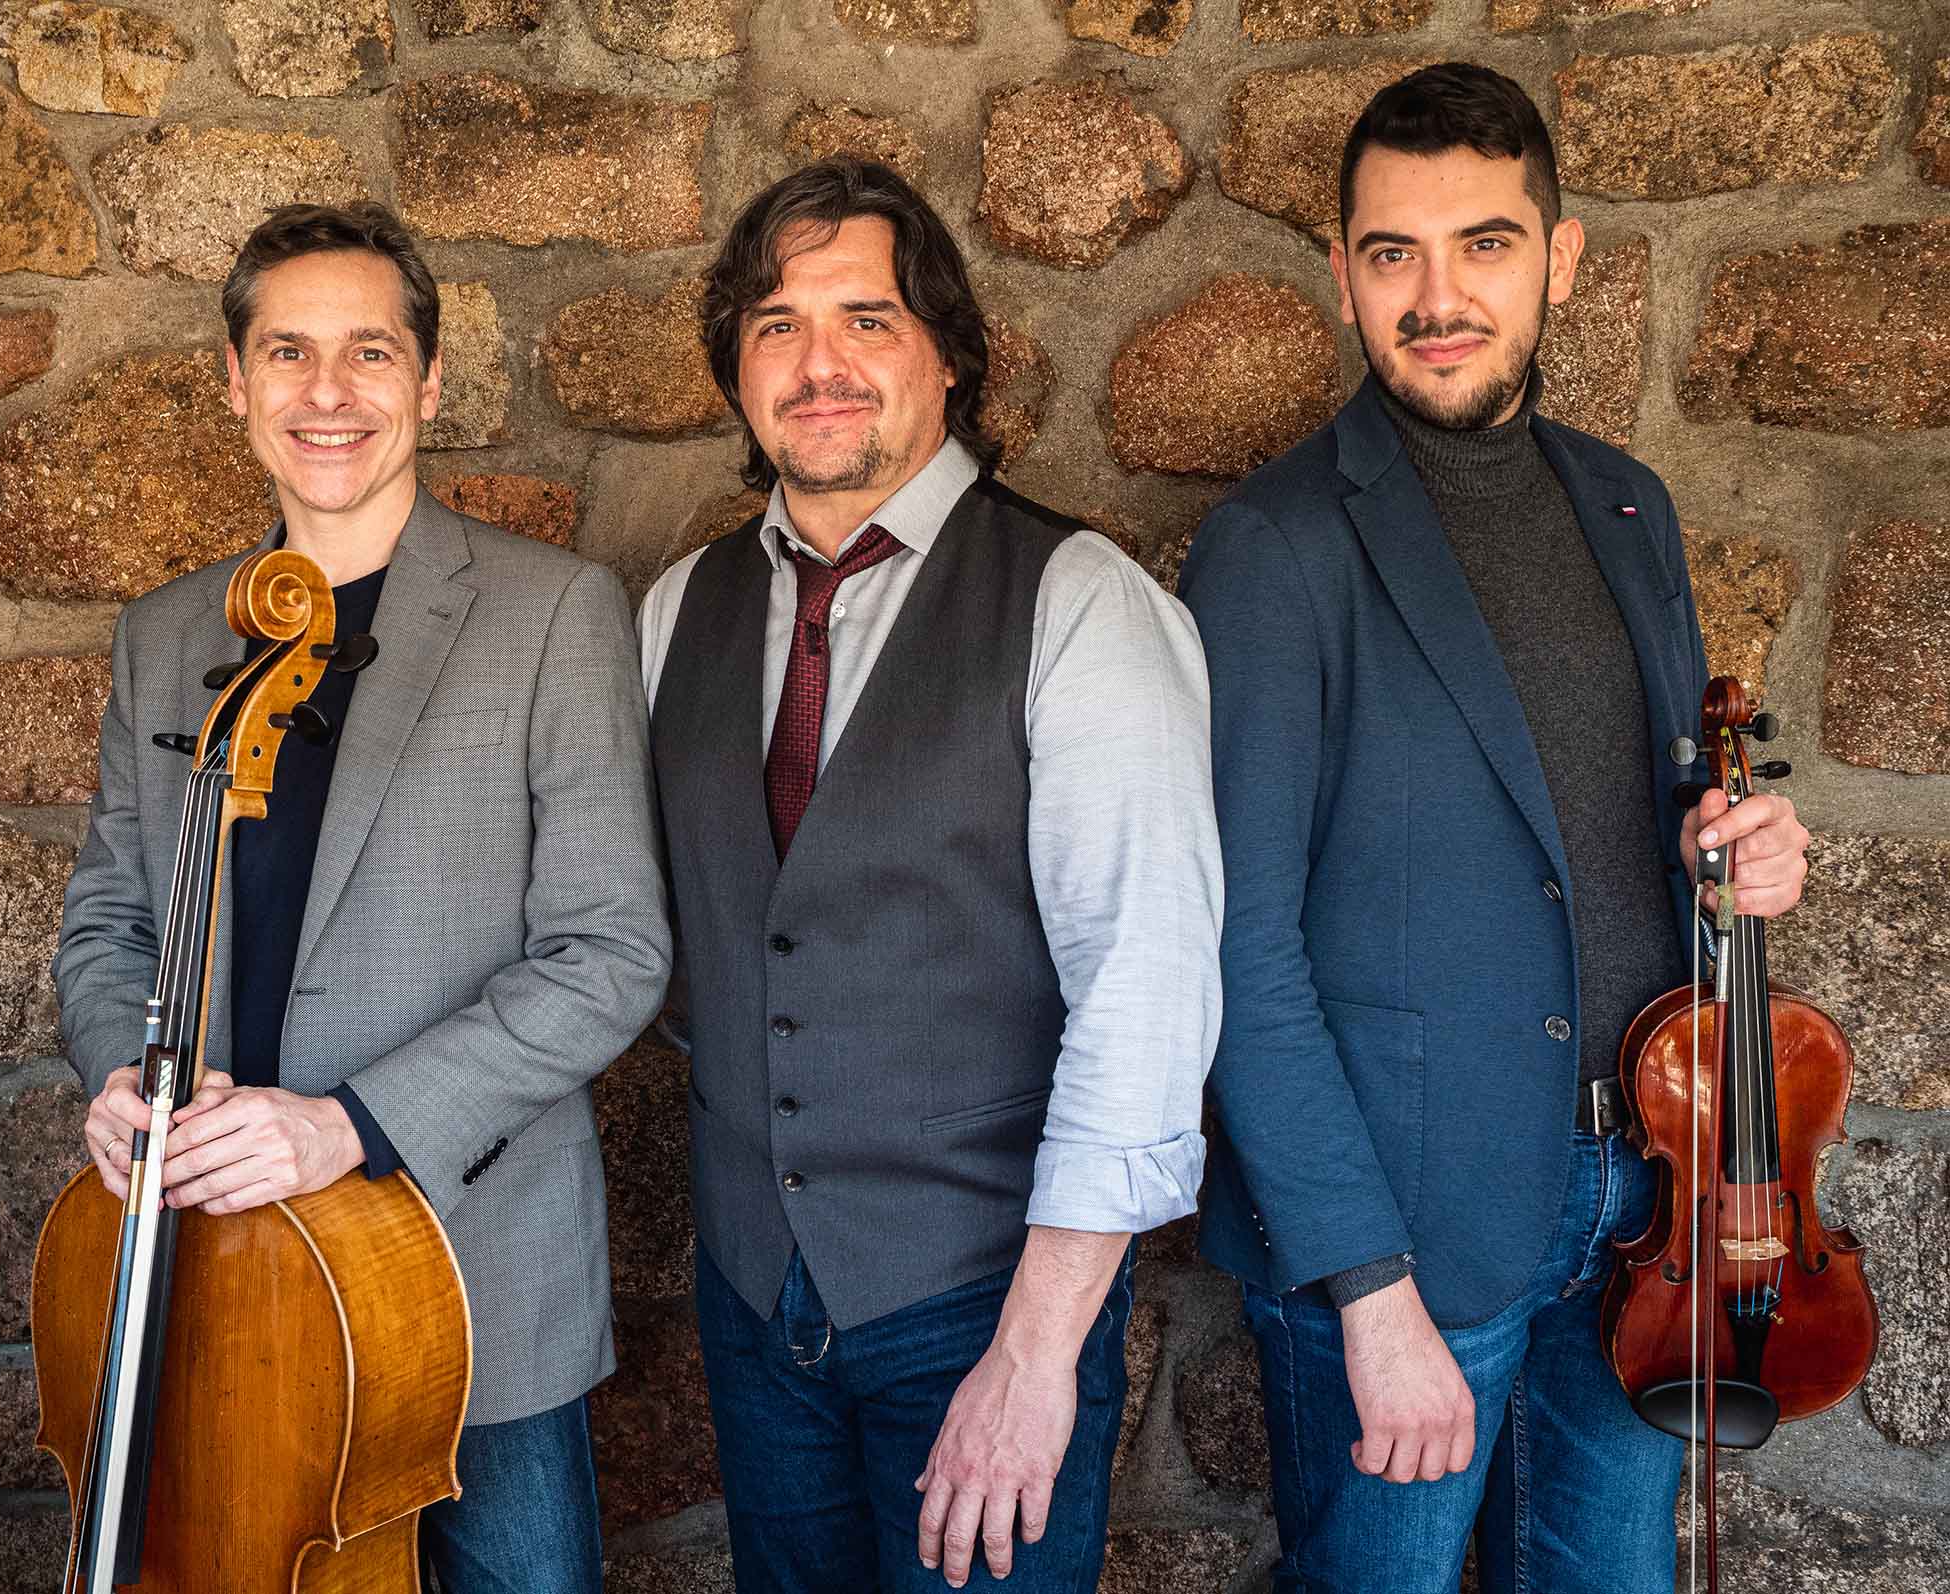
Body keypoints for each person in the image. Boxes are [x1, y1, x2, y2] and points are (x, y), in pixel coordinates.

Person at [1179, 64, 1813, 1594]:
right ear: (1341, 273)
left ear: (1559, 259)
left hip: (1641, 1206)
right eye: (1390, 251)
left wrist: (1734, 861)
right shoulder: (1270, 545)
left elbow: (1634, 825)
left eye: (1483, 243)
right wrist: (1365, 1285)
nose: (1436, 295)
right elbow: (1236, 950)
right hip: (1404, 1227)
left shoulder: (1629, 507)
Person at [53, 201, 670, 1594]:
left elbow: (610, 953)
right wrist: (117, 1072)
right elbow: (109, 919)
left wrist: (351, 1125)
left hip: (470, 1274)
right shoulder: (165, 634)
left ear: (429, 382)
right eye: (287, 352)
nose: (326, 392)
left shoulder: (553, 611)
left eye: (370, 352)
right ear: (236, 382)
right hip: (218, 1272)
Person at [635, 159, 1221, 1594]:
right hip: (754, 1298)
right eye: (775, 325)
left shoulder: (1078, 601)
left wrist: (1036, 1352)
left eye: (866, 319)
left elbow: (1143, 990)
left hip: (979, 1308)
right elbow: (680, 948)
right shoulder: (675, 611)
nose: (818, 364)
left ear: (949, 355)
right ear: (736, 370)